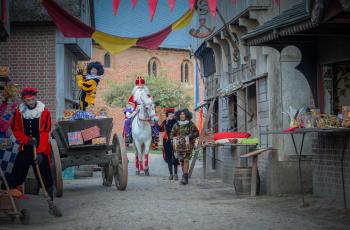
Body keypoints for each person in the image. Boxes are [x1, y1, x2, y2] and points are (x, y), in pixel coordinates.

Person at [8, 88, 55, 211]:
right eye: (28, 100)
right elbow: (16, 129)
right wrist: (26, 140)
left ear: (36, 98)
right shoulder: (19, 112)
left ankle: (51, 203)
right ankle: (10, 203)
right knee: (16, 174)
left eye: (32, 99)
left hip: (41, 148)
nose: (30, 102)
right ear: (24, 100)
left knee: (45, 176)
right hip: (25, 148)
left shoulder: (44, 112)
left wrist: (40, 152)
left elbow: (45, 132)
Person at [170, 109, 199, 185]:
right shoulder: (176, 124)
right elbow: (172, 134)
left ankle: (185, 177)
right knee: (181, 161)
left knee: (186, 160)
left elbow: (197, 133)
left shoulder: (190, 124)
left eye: (183, 114)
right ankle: (184, 175)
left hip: (188, 145)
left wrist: (190, 136)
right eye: (181, 114)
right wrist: (173, 140)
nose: (182, 115)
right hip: (179, 146)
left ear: (186, 115)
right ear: (178, 115)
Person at [160, 108, 179, 180]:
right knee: (168, 158)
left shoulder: (176, 121)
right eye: (169, 114)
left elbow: (174, 130)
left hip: (174, 141)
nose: (171, 115)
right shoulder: (165, 121)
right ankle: (171, 174)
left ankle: (176, 174)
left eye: (172, 114)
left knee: (175, 158)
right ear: (167, 115)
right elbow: (160, 129)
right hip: (167, 142)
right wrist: (155, 123)